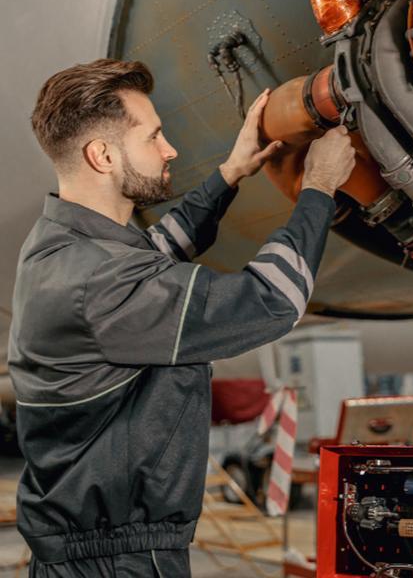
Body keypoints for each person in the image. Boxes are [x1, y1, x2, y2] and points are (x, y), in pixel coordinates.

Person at [8, 58, 355, 576]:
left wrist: (232, 171)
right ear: (102, 155)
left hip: (94, 550)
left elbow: (158, 252)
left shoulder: (63, 246)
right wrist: (320, 186)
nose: (170, 149)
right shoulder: (101, 281)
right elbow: (270, 300)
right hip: (118, 562)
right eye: (153, 137)